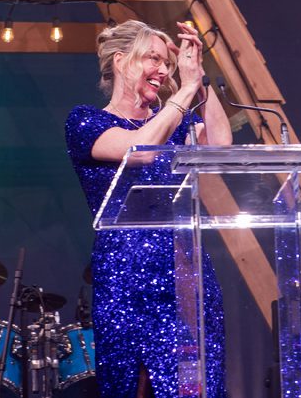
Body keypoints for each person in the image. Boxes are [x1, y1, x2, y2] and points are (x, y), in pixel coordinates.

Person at [65, 19, 232, 397]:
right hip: (126, 280)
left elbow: (219, 147)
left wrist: (200, 79)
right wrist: (183, 91)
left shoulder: (173, 123)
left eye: (167, 63)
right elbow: (139, 151)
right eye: (153, 59)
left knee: (196, 386)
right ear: (122, 62)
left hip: (188, 274)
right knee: (135, 386)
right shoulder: (86, 121)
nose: (162, 70)